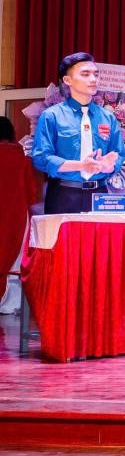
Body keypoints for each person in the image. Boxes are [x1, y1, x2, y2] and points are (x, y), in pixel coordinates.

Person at [31, 52, 125, 214]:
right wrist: (81, 165)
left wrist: (108, 166)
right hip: (63, 194)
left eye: (96, 74)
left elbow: (119, 153)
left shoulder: (108, 117)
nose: (93, 79)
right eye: (85, 74)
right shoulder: (52, 116)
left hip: (100, 195)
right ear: (67, 80)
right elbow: (41, 158)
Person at [0, 116, 41, 314]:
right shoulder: (23, 159)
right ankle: (9, 304)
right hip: (16, 215)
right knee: (14, 259)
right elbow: (32, 194)